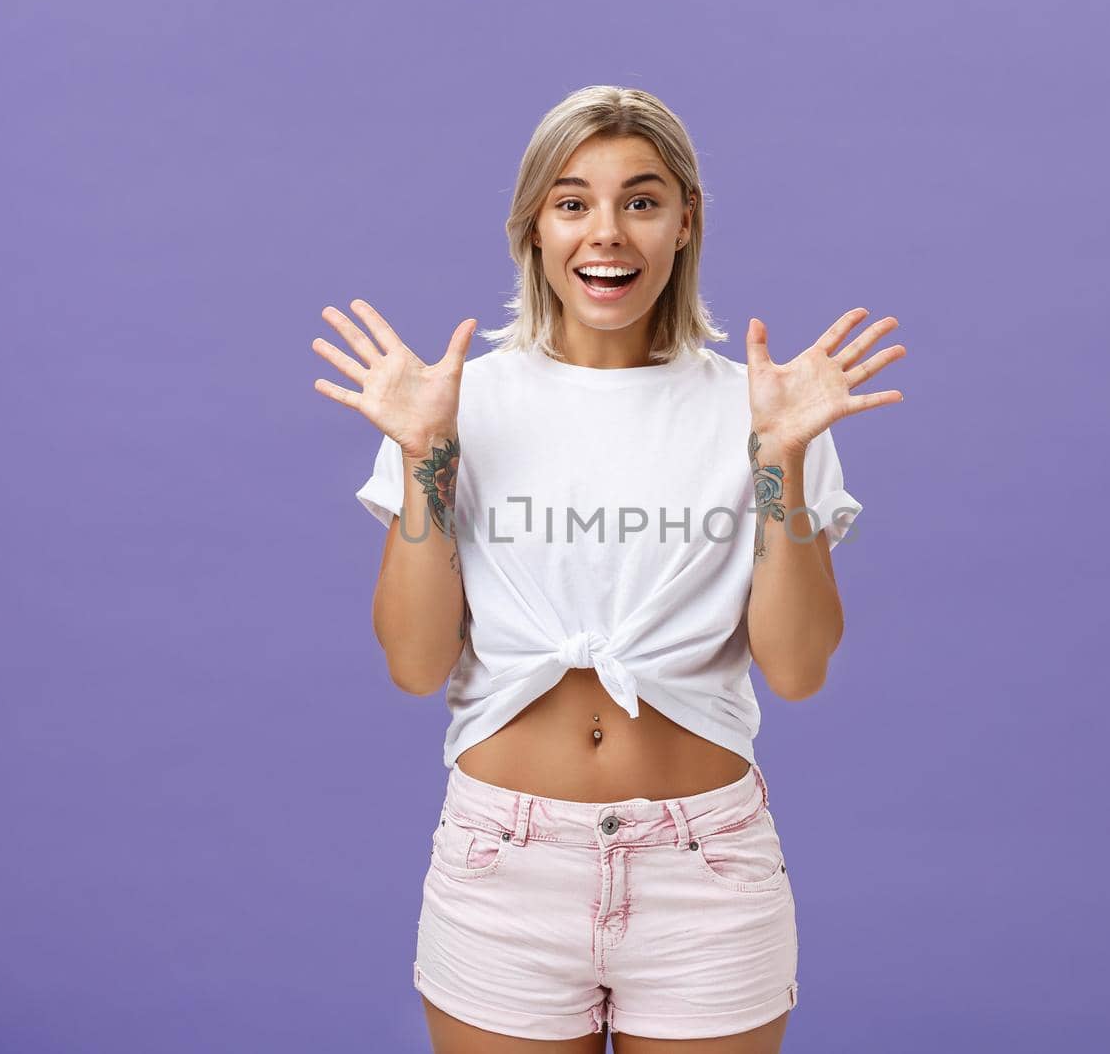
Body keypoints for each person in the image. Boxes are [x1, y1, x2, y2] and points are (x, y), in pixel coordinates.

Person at [312, 86, 905, 1053]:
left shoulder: (762, 408)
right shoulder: (457, 401)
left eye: (641, 199)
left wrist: (781, 461)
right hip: (503, 867)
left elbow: (796, 670)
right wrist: (427, 451)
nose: (608, 233)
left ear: (685, 221)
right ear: (534, 227)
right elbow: (416, 664)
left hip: (703, 871)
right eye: (572, 200)